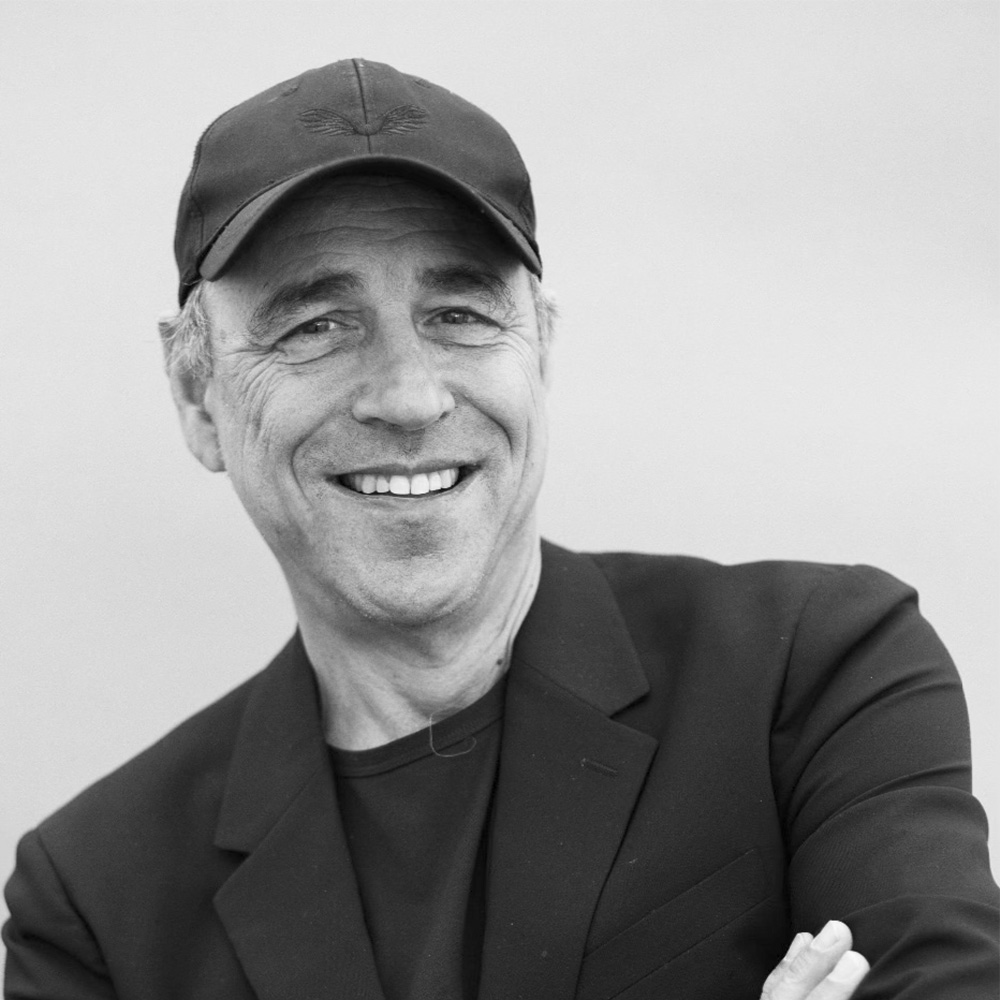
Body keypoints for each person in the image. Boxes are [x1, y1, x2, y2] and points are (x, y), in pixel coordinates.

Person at [3, 58, 997, 1000]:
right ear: (197, 395)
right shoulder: (94, 905)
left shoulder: (812, 671)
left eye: (459, 313)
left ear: (541, 349)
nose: (408, 395)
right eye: (315, 325)